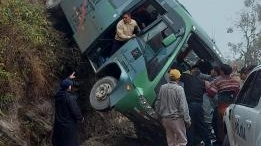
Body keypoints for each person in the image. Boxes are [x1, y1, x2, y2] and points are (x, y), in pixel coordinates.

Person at [155, 69, 191, 146]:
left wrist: (158, 116)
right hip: (176, 119)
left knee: (171, 142)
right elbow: (183, 106)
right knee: (181, 142)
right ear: (178, 78)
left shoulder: (162, 87)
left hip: (165, 120)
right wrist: (187, 120)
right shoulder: (179, 89)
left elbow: (157, 103)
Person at [206, 64, 240, 145]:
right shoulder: (236, 81)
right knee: (231, 127)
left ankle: (221, 142)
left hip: (222, 107)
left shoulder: (218, 80)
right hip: (233, 107)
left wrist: (207, 85)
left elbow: (211, 93)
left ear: (222, 71)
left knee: (219, 126)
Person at [180, 65, 212, 146]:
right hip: (199, 106)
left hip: (190, 105)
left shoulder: (187, 77)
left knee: (189, 126)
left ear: (192, 72)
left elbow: (180, 75)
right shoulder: (201, 82)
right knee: (202, 126)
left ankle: (190, 144)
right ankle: (208, 143)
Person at [52, 72, 84, 146]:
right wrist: (81, 118)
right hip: (68, 126)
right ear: (68, 87)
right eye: (70, 84)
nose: (71, 86)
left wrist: (68, 78)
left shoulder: (58, 94)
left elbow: (62, 86)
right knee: (69, 142)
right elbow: (75, 110)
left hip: (59, 125)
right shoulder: (69, 98)